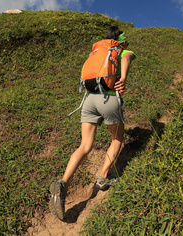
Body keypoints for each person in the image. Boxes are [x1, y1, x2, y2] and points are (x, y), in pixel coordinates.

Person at [49, 26, 136, 221]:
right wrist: (122, 79)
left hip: (89, 99)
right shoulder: (122, 50)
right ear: (121, 41)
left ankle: (63, 183)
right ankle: (103, 177)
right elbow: (126, 59)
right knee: (118, 139)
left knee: (85, 146)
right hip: (109, 98)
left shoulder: (98, 50)